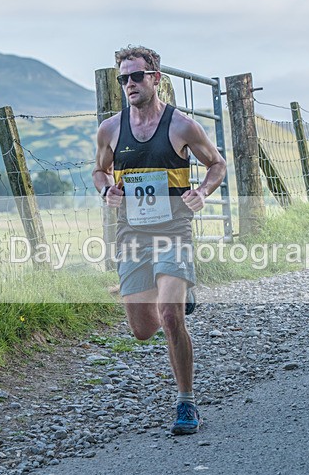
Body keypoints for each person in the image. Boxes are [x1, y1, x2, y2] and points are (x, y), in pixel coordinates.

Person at [93, 45, 227, 435]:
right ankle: (178, 294)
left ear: (155, 78)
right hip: (132, 233)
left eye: (137, 76)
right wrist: (106, 190)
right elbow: (99, 171)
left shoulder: (182, 126)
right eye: (123, 78)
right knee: (143, 329)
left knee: (170, 317)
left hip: (173, 230)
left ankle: (186, 403)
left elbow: (217, 164)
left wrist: (202, 191)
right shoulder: (110, 129)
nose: (129, 84)